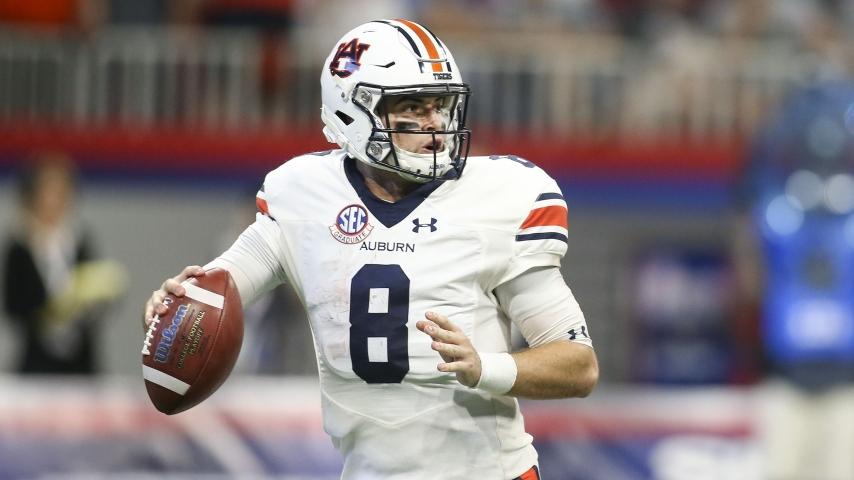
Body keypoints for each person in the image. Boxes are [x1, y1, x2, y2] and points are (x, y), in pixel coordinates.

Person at [143, 19, 598, 479]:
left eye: (441, 105)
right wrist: (177, 303)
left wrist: (486, 369)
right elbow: (219, 289)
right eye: (412, 106)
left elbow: (578, 365)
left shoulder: (498, 197)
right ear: (351, 112)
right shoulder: (303, 195)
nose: (435, 123)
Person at [3, 153, 126, 374]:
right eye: (48, 191)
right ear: (32, 195)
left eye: (62, 192)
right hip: (36, 364)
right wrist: (51, 311)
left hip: (82, 363)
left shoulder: (79, 240)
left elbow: (95, 295)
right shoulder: (19, 246)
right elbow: (14, 307)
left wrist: (97, 296)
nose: (55, 200)